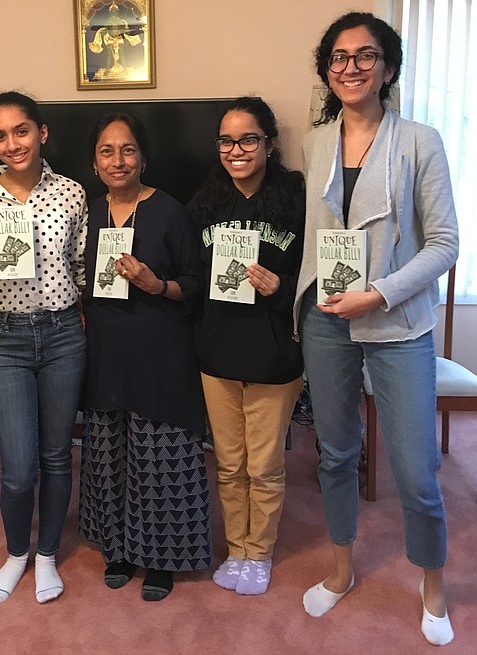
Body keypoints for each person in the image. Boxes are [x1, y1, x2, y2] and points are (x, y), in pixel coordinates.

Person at [293, 12, 458, 646]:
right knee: (334, 452)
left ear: (387, 67)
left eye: (366, 55)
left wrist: (380, 293)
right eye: (339, 57)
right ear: (326, 68)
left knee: (415, 469)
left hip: (397, 322)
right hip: (326, 319)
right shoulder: (315, 143)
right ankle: (341, 571)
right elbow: (316, 235)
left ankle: (433, 584)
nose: (351, 67)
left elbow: (444, 244)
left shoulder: (421, 139)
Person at [0, 91, 87, 604]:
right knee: (18, 467)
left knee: (57, 455)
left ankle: (48, 554)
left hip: (62, 333)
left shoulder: (72, 194)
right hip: (6, 336)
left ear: (42, 133)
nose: (12, 143)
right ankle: (17, 553)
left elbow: (80, 266)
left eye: (21, 131)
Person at [79, 113, 212, 601]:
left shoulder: (171, 212)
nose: (119, 160)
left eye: (128, 149)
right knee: (109, 452)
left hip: (161, 350)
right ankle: (116, 547)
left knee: (160, 453)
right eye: (107, 151)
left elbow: (196, 285)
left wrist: (158, 285)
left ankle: (162, 557)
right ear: (94, 161)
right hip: (105, 351)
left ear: (144, 157)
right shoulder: (86, 214)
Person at [188, 97, 304, 595]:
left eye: (248, 139)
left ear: (269, 144)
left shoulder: (297, 198)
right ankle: (237, 547)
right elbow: (189, 277)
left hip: (274, 353)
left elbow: (323, 272)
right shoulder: (204, 204)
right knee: (230, 463)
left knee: (265, 465)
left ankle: (260, 552)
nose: (237, 150)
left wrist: (281, 287)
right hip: (217, 353)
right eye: (227, 141)